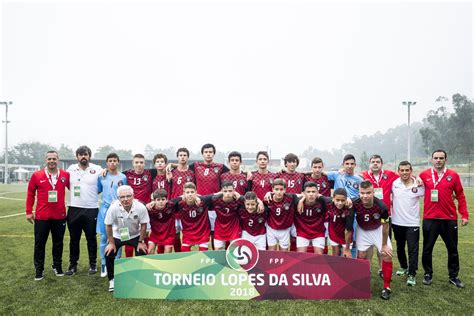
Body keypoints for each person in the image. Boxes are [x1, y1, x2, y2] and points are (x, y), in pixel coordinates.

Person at [419, 149, 469, 288]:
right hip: (430, 218)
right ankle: (428, 274)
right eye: (436, 158)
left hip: (449, 218)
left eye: (441, 158)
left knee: (452, 249)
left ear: (446, 159)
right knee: (427, 248)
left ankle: (453, 276)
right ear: (432, 159)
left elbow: (460, 195)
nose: (438, 160)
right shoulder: (424, 175)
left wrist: (464, 215)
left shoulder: (453, 175)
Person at [26, 151, 70, 280]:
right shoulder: (37, 175)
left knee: (58, 243)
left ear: (58, 160)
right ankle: (39, 269)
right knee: (40, 244)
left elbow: (75, 187)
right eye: (49, 159)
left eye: (54, 159)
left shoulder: (65, 175)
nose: (52, 161)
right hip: (41, 216)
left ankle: (57, 266)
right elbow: (30, 193)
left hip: (60, 216)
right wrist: (29, 211)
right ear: (46, 160)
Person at [349, 180, 393, 300]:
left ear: (373, 192)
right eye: (362, 193)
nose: (365, 196)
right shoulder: (355, 203)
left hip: (378, 230)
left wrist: (384, 244)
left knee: (386, 254)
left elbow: (385, 227)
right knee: (362, 255)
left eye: (368, 193)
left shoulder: (381, 207)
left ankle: (387, 287)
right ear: (359, 193)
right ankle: (362, 283)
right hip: (362, 230)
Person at [66, 145, 102, 276]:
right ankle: (72, 265)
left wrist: (92, 193)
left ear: (89, 156)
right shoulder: (70, 169)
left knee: (91, 238)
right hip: (74, 209)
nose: (83, 156)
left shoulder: (97, 169)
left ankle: (92, 265)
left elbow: (103, 183)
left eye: (85, 154)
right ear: (77, 157)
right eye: (81, 154)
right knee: (74, 239)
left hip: (91, 209)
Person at [104, 185, 149, 292]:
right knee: (109, 253)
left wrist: (141, 241)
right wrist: (111, 242)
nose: (125, 199)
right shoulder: (113, 208)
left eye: (128, 196)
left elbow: (143, 224)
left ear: (133, 196)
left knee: (142, 251)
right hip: (118, 235)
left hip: (135, 235)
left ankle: (139, 278)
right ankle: (112, 279)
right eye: (122, 197)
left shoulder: (140, 207)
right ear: (118, 198)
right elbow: (108, 225)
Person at [360, 154, 398, 278]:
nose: (375, 163)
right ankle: (368, 268)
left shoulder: (390, 174)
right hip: (368, 215)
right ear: (369, 164)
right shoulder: (363, 175)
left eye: (377, 162)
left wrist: (415, 179)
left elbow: (404, 177)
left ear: (381, 163)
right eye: (373, 162)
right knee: (368, 245)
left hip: (384, 216)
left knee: (383, 244)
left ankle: (382, 269)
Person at [391, 161, 424, 286]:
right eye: (402, 170)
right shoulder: (394, 184)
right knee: (400, 247)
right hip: (397, 222)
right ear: (398, 171)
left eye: (407, 170)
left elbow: (432, 193)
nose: (404, 172)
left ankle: (412, 274)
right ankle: (404, 267)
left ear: (411, 171)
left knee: (412, 249)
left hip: (412, 223)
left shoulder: (419, 184)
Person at [327, 154, 363, 258]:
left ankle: (351, 266)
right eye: (347, 164)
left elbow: (362, 195)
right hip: (337, 212)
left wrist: (351, 200)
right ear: (343, 164)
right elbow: (319, 172)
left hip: (352, 213)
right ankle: (336, 267)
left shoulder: (359, 179)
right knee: (336, 243)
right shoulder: (337, 175)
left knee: (352, 240)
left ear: (355, 165)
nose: (349, 166)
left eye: (352, 164)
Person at [97, 153, 127, 277]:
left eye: (115, 160)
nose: (112, 163)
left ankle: (117, 262)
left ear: (118, 162)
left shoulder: (123, 177)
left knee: (119, 237)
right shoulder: (101, 176)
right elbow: (98, 190)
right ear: (106, 163)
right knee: (105, 237)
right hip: (105, 210)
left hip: (120, 210)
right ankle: (104, 264)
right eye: (110, 160)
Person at [168, 147, 195, 253]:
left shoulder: (192, 172)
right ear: (177, 157)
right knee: (175, 234)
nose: (183, 157)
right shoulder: (171, 172)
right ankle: (178, 255)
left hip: (188, 207)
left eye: (185, 155)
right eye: (181, 155)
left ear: (188, 157)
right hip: (175, 207)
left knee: (188, 233)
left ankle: (187, 255)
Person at [265, 178, 299, 251]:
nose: (279, 192)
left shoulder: (290, 198)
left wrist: (302, 200)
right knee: (271, 250)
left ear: (285, 190)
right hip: (271, 228)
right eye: (276, 189)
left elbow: (302, 195)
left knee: (284, 252)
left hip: (285, 229)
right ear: (272, 189)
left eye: (281, 189)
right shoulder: (268, 199)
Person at [176, 182, 211, 252]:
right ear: (184, 193)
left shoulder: (203, 201)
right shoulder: (180, 204)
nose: (190, 194)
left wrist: (199, 197)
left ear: (196, 193)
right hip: (188, 233)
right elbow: (169, 202)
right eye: (187, 192)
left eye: (192, 192)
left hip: (202, 232)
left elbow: (214, 196)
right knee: (184, 251)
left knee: (203, 253)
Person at [294, 182, 327, 254]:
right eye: (308, 192)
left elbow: (334, 199)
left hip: (318, 232)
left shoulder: (323, 202)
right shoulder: (296, 202)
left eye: (313, 192)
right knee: (300, 255)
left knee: (319, 256)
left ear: (317, 193)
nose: (311, 194)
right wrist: (270, 193)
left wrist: (348, 199)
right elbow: (283, 195)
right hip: (302, 232)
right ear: (303, 193)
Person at [323, 188, 353, 257]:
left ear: (346, 199)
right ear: (333, 199)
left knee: (347, 256)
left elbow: (348, 230)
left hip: (345, 235)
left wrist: (347, 248)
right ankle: (335, 268)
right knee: (335, 254)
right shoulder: (328, 202)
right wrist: (302, 200)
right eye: (337, 200)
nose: (340, 203)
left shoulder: (349, 208)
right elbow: (318, 196)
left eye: (343, 200)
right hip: (334, 232)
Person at [147, 189, 178, 254]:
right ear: (154, 201)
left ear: (166, 200)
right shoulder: (150, 209)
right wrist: (147, 205)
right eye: (158, 200)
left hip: (169, 234)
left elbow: (182, 197)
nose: (161, 202)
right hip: (155, 233)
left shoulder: (171, 206)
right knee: (149, 251)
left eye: (163, 199)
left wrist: (197, 197)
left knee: (167, 253)